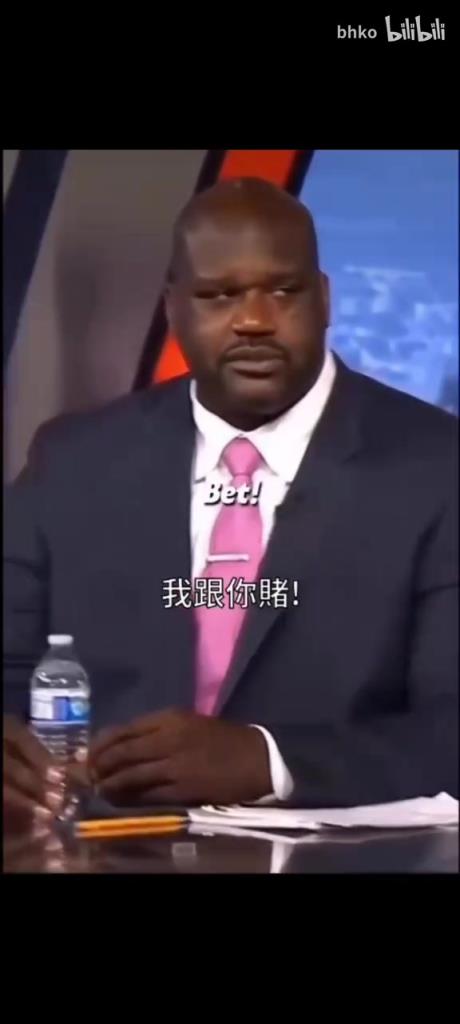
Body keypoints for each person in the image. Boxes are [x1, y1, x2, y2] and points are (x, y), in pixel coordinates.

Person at [3, 177, 458, 829]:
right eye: (219, 295)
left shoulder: (438, 467)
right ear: (173, 308)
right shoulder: (72, 461)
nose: (253, 321)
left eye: (284, 291)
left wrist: (272, 762)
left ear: (325, 298)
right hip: (98, 849)